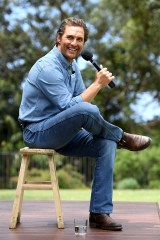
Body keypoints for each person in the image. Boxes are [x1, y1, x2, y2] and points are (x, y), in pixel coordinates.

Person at [19, 17, 151, 231]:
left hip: (65, 133)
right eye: (69, 37)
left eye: (79, 39)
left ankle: (99, 213)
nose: (74, 43)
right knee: (91, 115)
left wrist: (93, 91)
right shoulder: (46, 67)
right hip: (37, 133)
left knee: (105, 143)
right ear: (58, 38)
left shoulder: (72, 67)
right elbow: (69, 107)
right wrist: (98, 84)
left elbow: (81, 100)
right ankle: (122, 137)